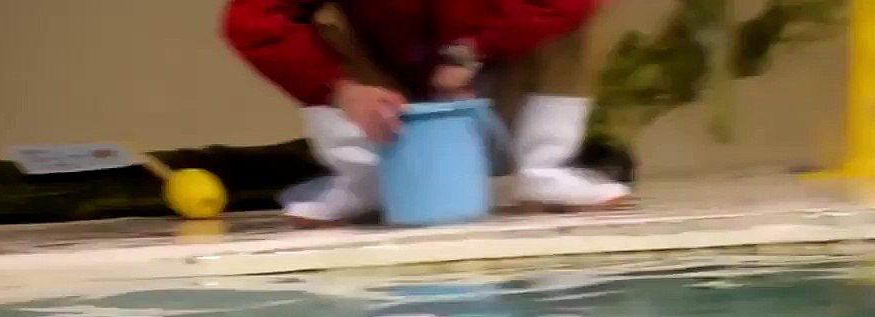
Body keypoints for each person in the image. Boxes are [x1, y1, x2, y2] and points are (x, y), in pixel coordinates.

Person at [220, 0, 633, 227]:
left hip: (491, 86)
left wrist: (474, 50)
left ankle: (545, 169)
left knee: (572, 17)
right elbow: (251, 22)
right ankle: (366, 180)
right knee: (323, 21)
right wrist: (339, 90)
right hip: (379, 100)